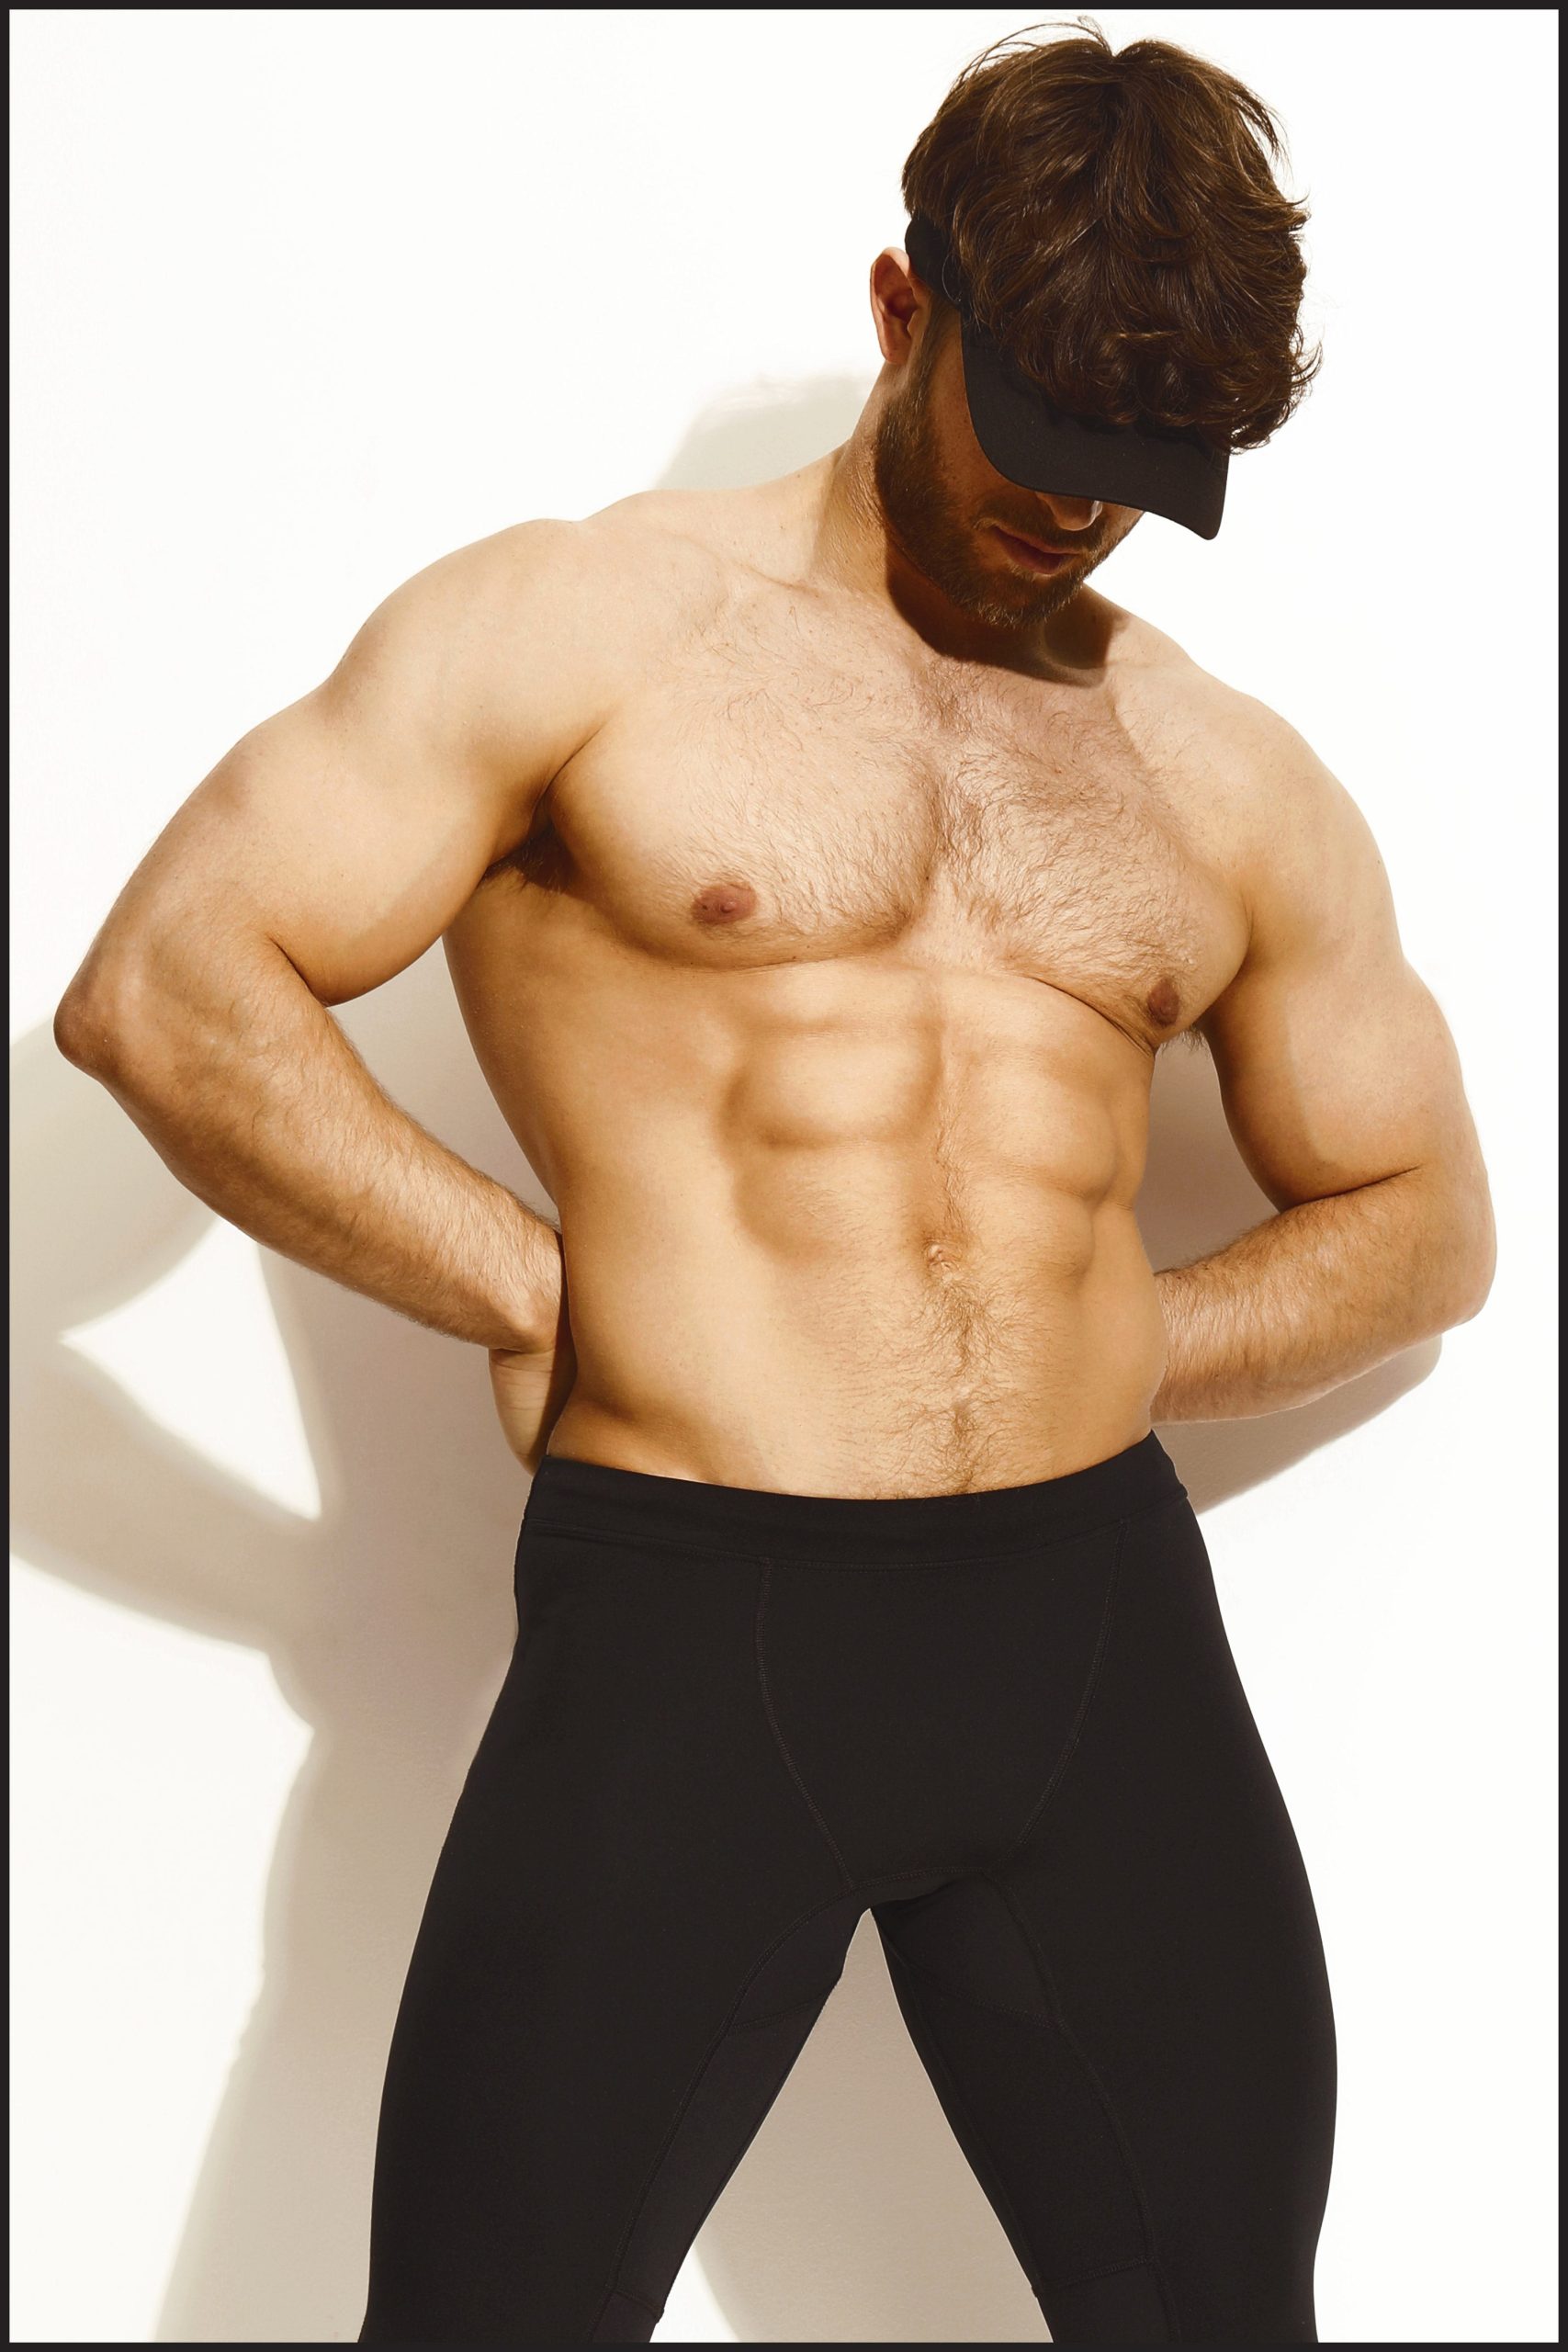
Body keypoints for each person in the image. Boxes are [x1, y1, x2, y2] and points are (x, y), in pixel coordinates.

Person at [54, 22, 1495, 2346]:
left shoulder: (1216, 768)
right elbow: (164, 983)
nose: (1076, 517)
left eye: (1138, 478)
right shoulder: (581, 628)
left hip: (1091, 1638)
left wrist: (1136, 1331)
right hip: (693, 1627)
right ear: (902, 307)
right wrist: (523, 1283)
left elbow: (1422, 1216)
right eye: (1044, 442)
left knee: (1225, 2309)